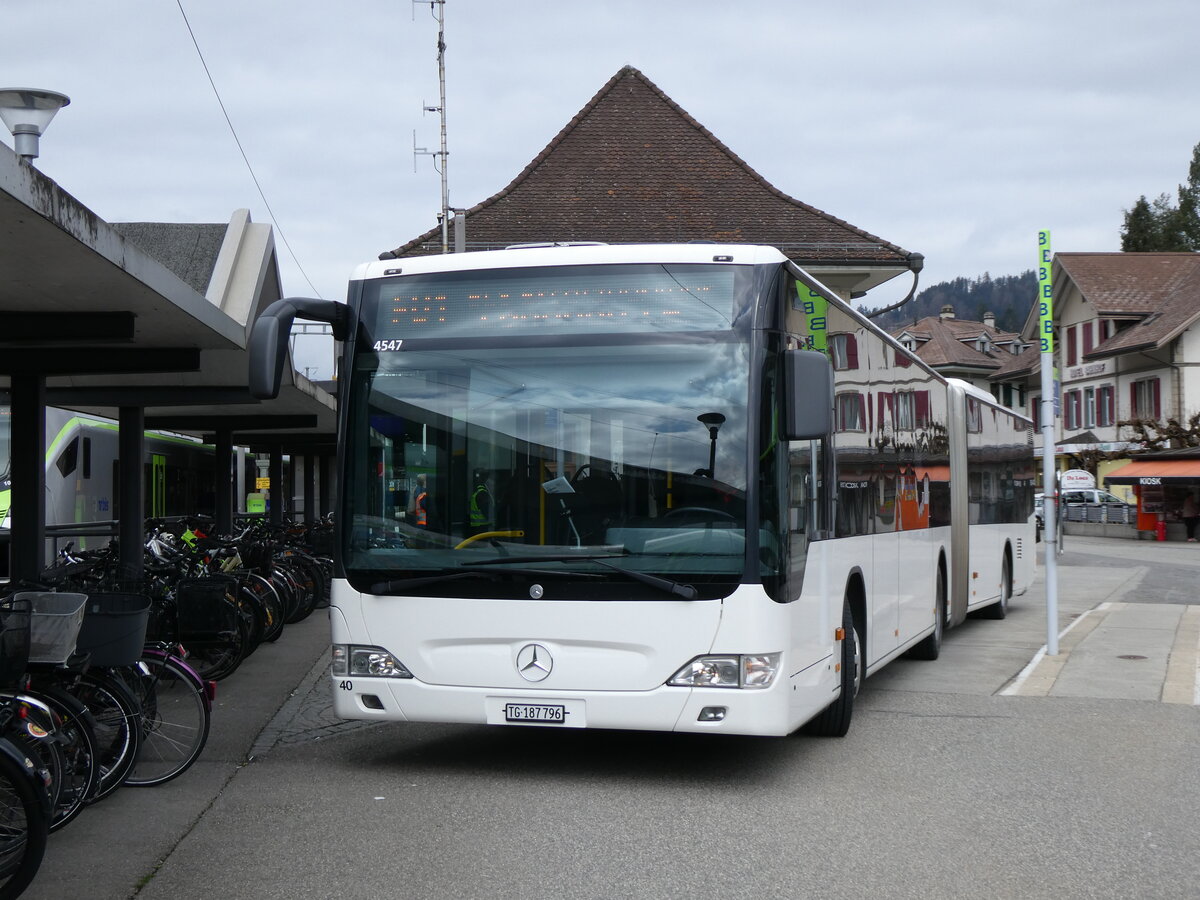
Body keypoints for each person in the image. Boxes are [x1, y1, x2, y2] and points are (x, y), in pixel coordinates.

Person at [469, 469, 494, 534]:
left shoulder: (478, 492)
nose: (493, 482)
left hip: (478, 527)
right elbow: (486, 512)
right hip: (483, 527)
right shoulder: (482, 494)